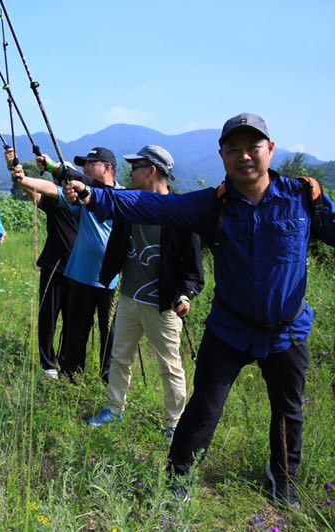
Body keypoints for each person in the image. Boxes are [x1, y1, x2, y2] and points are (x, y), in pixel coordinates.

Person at [66, 113, 335, 507]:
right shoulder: (214, 205)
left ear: (270, 150)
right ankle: (176, 481)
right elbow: (152, 206)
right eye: (234, 149)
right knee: (204, 407)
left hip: (287, 330)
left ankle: (284, 478)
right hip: (230, 328)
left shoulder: (303, 197)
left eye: (253, 147)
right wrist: (96, 195)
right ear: (223, 155)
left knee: (288, 410)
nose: (244, 156)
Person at [84, 145, 204, 438]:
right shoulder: (132, 205)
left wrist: (186, 294)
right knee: (119, 356)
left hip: (162, 306)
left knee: (170, 366)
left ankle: (174, 425)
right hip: (129, 298)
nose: (130, 172)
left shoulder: (181, 213)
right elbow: (105, 200)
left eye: (136, 167)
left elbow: (194, 269)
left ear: (151, 171)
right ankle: (114, 409)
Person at [10, 147, 120, 379]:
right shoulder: (77, 198)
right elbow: (49, 190)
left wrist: (54, 167)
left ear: (108, 168)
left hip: (111, 280)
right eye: (83, 165)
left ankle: (110, 380)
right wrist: (23, 178)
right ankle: (70, 375)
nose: (86, 168)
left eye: (91, 164)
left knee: (109, 334)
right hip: (79, 275)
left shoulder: (121, 195)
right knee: (76, 330)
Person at [5, 148, 79, 380]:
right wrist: (16, 172)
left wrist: (23, 176)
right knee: (48, 316)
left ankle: (68, 362)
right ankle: (48, 364)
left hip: (78, 269)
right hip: (53, 265)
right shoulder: (55, 201)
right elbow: (35, 193)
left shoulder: (87, 201)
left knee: (72, 319)